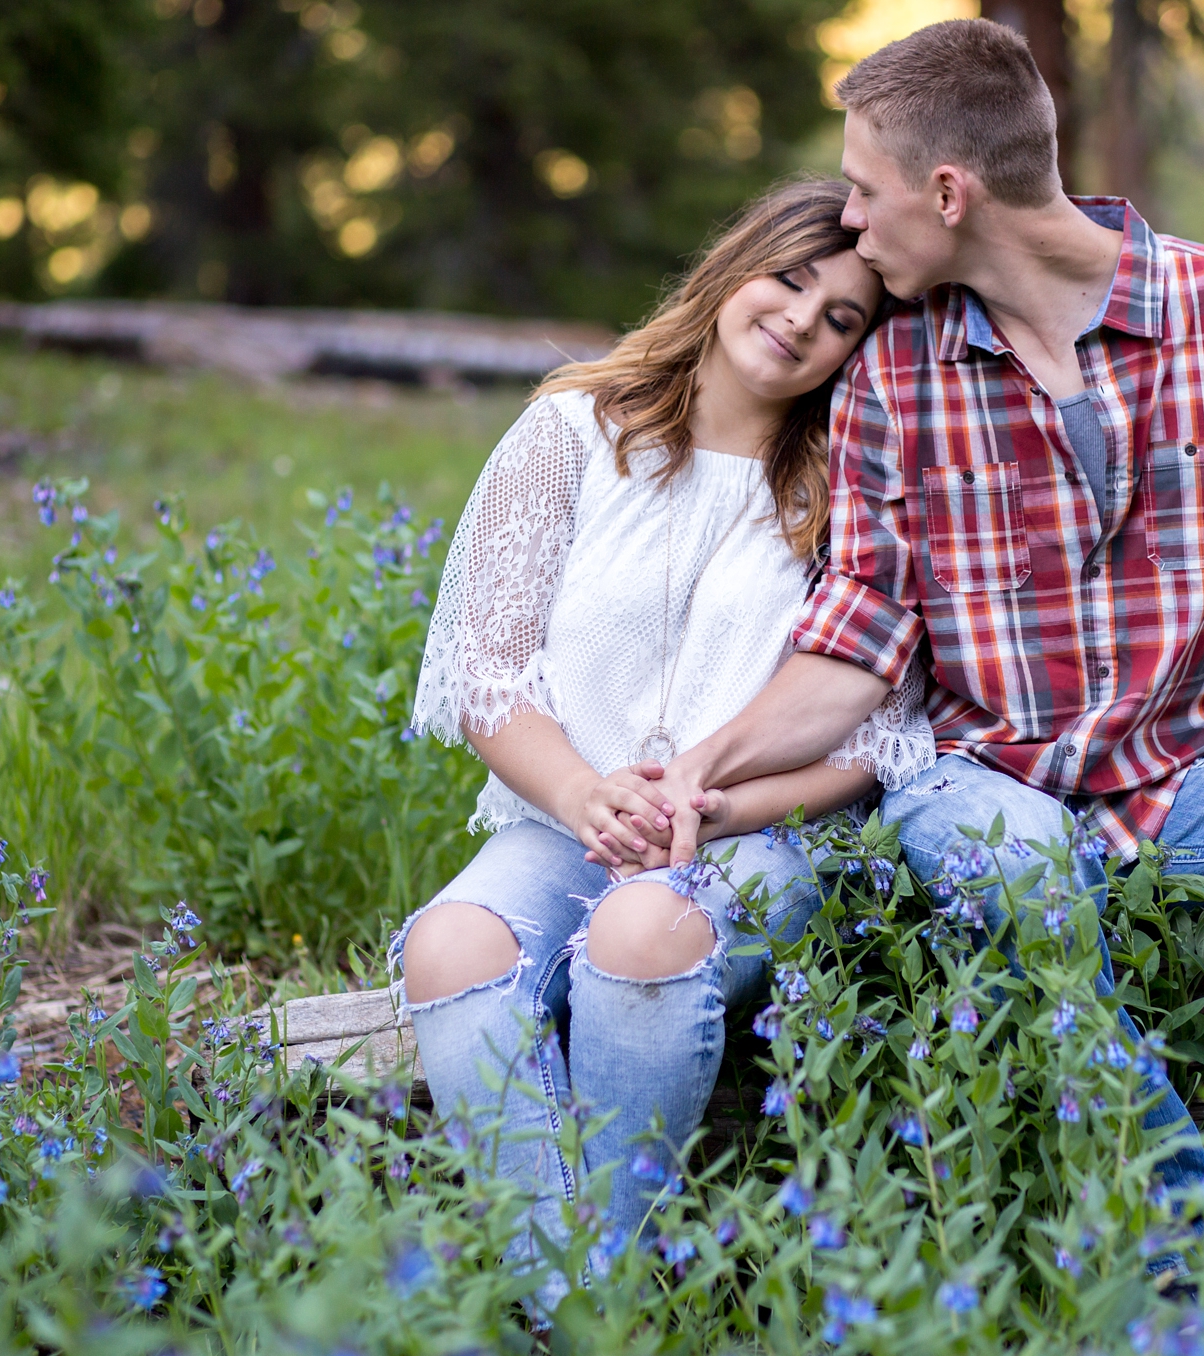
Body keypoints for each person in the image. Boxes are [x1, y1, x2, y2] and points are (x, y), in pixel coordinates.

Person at [647, 20, 1204, 1211]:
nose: (847, 221)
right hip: (976, 782)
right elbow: (857, 639)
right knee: (1018, 857)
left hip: (1183, 775)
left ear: (947, 193)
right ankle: (1183, 1256)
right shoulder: (897, 371)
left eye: (861, 190)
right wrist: (699, 769)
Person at [397, 179, 933, 1283]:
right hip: (564, 820)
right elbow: (482, 674)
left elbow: (872, 739)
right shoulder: (569, 429)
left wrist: (719, 805)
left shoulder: (848, 487)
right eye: (789, 280)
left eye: (841, 318)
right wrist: (585, 796)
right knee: (447, 943)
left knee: (642, 932)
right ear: (735, 264)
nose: (800, 321)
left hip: (755, 839)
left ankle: (588, 1291)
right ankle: (583, 1302)